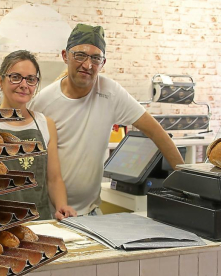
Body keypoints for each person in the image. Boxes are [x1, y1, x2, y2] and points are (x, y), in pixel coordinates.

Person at [29, 24, 185, 216]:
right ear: (65, 56)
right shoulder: (44, 102)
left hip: (91, 213)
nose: (88, 65)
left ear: (103, 63)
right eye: (80, 55)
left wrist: (185, 182)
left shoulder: (110, 93)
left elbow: (156, 131)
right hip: (50, 214)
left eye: (96, 58)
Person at [0, 50, 77, 220]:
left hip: (38, 221)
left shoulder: (45, 124)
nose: (24, 85)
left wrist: (62, 206)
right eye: (16, 77)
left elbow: (54, 179)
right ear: (1, 81)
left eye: (31, 79)